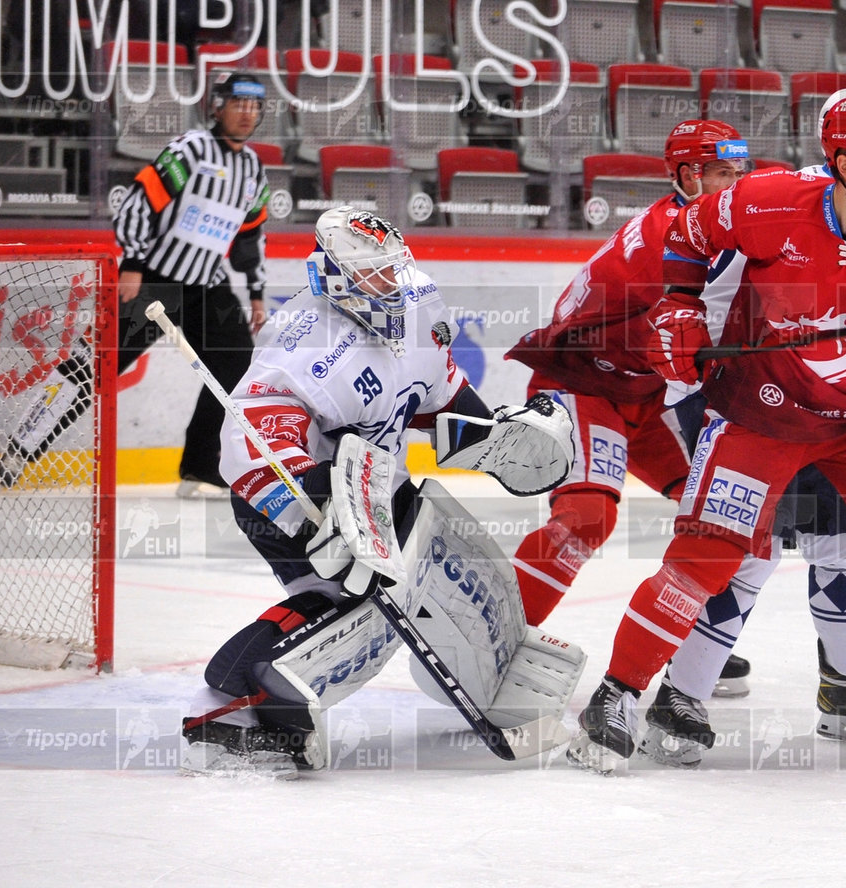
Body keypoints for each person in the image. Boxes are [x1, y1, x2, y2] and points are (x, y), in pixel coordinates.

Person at [565, 92, 846, 773]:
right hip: (758, 414)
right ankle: (617, 696)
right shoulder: (768, 201)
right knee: (707, 557)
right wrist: (677, 310)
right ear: (844, 163)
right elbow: (689, 236)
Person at [179, 207, 574, 776]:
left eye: (394, 269)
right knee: (355, 608)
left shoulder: (415, 306)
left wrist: (501, 442)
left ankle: (490, 672)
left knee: (424, 568)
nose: (391, 284)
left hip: (372, 483)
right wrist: (320, 507)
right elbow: (248, 452)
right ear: (335, 277)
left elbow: (440, 402)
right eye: (375, 274)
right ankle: (221, 714)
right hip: (292, 496)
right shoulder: (301, 341)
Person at [0, 72, 270, 497]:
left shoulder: (252, 167)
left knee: (236, 365)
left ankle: (199, 463)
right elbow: (138, 205)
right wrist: (134, 263)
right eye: (238, 103)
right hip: (155, 279)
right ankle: (18, 449)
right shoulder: (191, 150)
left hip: (207, 284)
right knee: (93, 367)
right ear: (217, 106)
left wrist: (254, 290)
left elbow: (249, 235)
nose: (247, 113)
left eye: (255, 105)